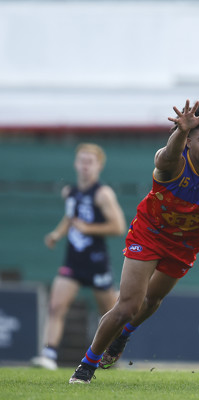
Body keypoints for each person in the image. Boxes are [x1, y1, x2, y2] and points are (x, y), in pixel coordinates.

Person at [69, 100, 199, 384]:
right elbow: (165, 157)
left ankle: (123, 336)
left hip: (186, 246)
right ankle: (86, 366)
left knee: (153, 300)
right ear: (188, 141)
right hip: (150, 234)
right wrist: (179, 131)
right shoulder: (172, 164)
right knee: (128, 305)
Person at [32, 143, 126, 371]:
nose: (85, 166)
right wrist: (57, 233)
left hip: (96, 263)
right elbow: (70, 218)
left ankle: (111, 356)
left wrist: (88, 228)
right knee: (56, 306)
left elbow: (118, 226)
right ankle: (49, 355)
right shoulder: (70, 192)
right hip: (73, 261)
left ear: (98, 166)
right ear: (76, 164)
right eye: (82, 161)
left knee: (111, 314)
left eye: (89, 162)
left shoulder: (103, 194)